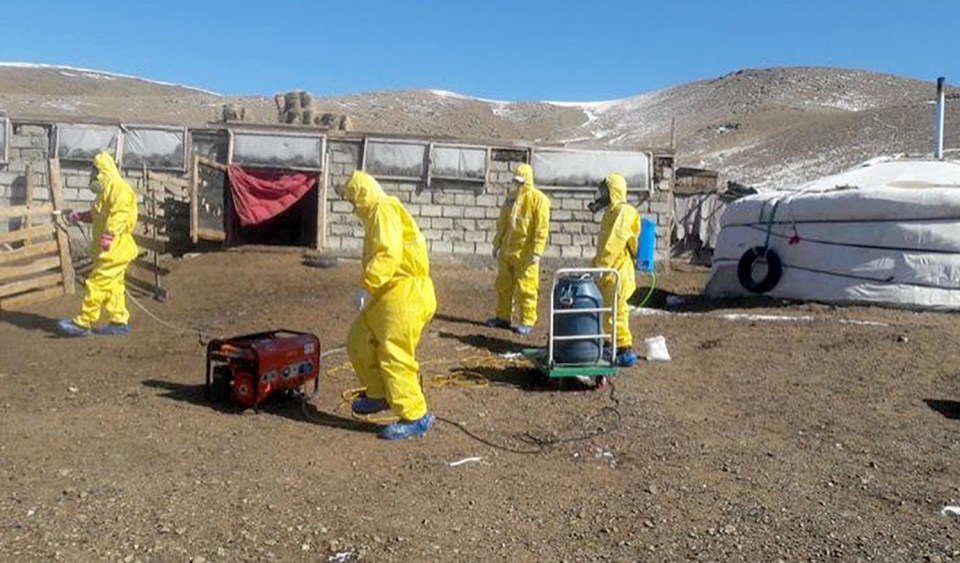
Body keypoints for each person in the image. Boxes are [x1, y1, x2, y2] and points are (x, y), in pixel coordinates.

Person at [338, 170, 438, 440]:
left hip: (406, 293)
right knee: (359, 339)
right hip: (389, 293)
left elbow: (388, 252)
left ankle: (415, 415)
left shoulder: (383, 208)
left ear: (362, 194)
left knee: (395, 354)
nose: (352, 206)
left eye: (352, 199)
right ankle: (378, 392)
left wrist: (367, 284)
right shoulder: (374, 215)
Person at [56, 151, 139, 337]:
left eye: (95, 173)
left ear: (104, 172)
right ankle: (119, 322)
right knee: (114, 286)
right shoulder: (105, 193)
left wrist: (108, 236)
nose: (92, 177)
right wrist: (78, 216)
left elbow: (120, 215)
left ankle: (84, 322)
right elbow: (96, 214)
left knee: (96, 283)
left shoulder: (120, 190)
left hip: (115, 249)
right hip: (112, 249)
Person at [486, 163, 550, 335]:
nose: (518, 184)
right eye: (516, 181)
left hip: (526, 253)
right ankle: (503, 317)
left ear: (528, 180)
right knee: (503, 285)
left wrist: (537, 251)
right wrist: (497, 244)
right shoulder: (511, 198)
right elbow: (503, 223)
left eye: (521, 181)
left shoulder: (539, 199)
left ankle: (527, 320)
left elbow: (541, 228)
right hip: (508, 250)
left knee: (526, 288)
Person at [589, 173, 640, 367]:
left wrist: (602, 266)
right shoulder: (610, 212)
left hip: (619, 271)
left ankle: (625, 349)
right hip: (609, 272)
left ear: (614, 191)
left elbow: (615, 241)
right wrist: (594, 267)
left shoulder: (624, 211)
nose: (601, 195)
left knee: (618, 311)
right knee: (609, 311)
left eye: (605, 191)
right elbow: (603, 246)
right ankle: (610, 345)